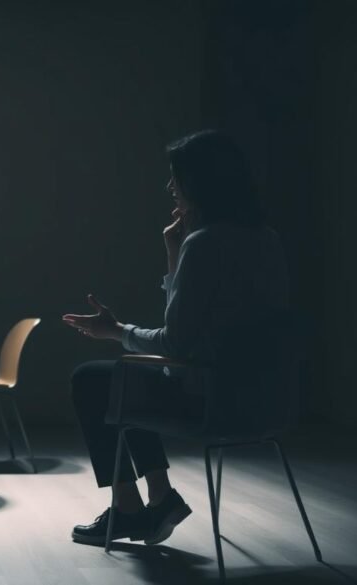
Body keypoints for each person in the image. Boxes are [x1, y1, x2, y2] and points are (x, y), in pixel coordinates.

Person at [61, 130, 289, 546]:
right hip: (264, 401)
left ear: (199, 181)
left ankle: (130, 509)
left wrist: (116, 331)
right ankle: (160, 499)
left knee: (91, 380)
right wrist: (174, 250)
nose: (170, 186)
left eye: (176, 176)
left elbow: (174, 345)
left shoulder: (204, 244)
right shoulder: (266, 239)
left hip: (210, 401)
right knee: (129, 381)